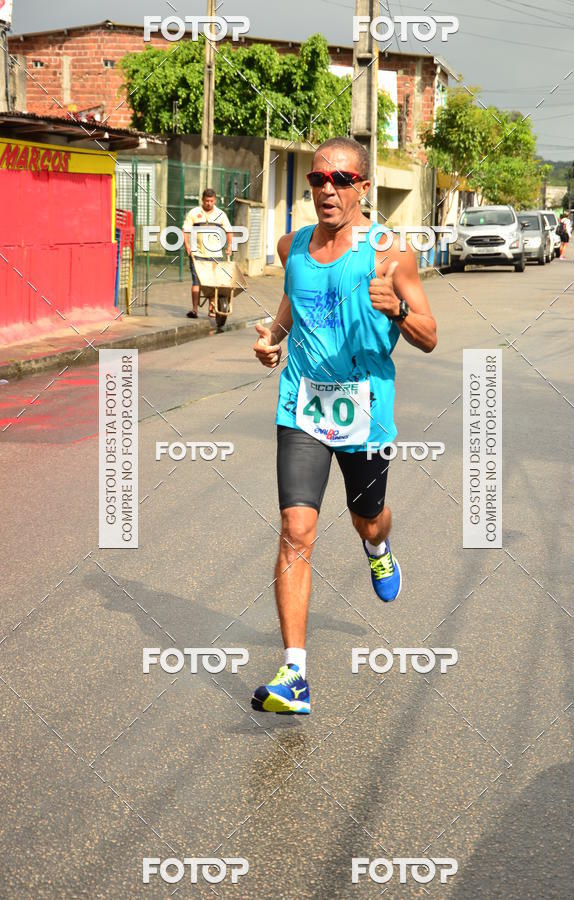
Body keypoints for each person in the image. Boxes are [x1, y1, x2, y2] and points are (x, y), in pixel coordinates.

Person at [250, 136, 437, 714]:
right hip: (302, 406)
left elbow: (430, 335)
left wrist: (398, 310)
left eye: (340, 180)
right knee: (295, 528)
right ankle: (295, 675)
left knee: (367, 521)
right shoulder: (293, 247)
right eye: (317, 180)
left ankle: (380, 547)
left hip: (364, 411)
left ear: (363, 188)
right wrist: (273, 336)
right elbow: (295, 299)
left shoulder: (390, 253)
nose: (327, 189)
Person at [183, 188, 233, 318]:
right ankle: (195, 310)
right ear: (202, 200)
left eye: (211, 201)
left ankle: (212, 309)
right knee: (196, 282)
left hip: (215, 254)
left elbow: (228, 230)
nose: (209, 203)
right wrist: (187, 245)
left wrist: (229, 246)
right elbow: (186, 230)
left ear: (215, 200)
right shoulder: (194, 213)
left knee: (212, 283)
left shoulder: (220, 214)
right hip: (197, 254)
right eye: (206, 201)